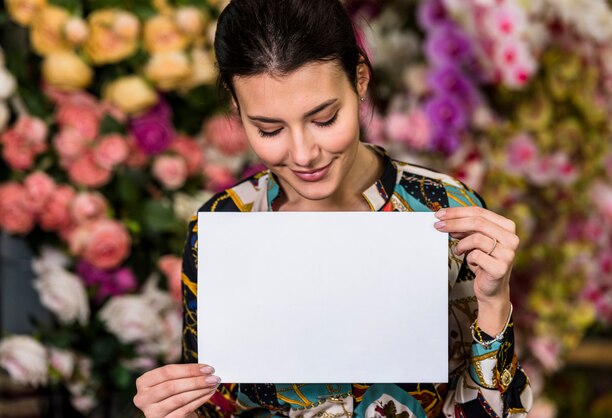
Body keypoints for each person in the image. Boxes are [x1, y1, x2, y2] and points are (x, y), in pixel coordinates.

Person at [133, 0, 533, 416]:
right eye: (269, 129)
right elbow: (215, 404)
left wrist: (493, 305)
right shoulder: (224, 224)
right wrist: (172, 409)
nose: (304, 154)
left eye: (324, 119)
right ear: (237, 109)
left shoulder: (444, 211)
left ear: (359, 79)